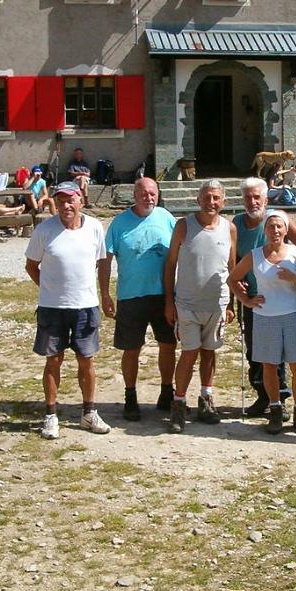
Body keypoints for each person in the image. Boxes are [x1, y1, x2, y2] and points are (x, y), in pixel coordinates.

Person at [231, 177, 296, 419]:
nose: (252, 202)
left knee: (282, 355)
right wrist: (236, 299)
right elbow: (231, 262)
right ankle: (264, 396)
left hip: (284, 300)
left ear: (266, 198)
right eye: (248, 197)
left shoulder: (279, 218)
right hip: (255, 296)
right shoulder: (237, 223)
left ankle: (280, 399)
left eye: (257, 197)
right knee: (256, 351)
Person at [24, 181, 110, 440]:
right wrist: (49, 288)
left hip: (85, 306)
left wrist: (102, 293)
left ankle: (88, 412)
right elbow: (31, 265)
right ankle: (50, 415)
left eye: (70, 200)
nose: (66, 205)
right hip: (52, 308)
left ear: (81, 200)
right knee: (54, 360)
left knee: (87, 360)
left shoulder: (95, 227)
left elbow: (100, 261)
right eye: (60, 201)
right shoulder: (45, 230)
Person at [98, 178, 178, 421]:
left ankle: (167, 392)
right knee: (131, 348)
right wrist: (104, 293)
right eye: (143, 193)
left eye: (152, 193)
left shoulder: (166, 218)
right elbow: (105, 259)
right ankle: (130, 396)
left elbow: (182, 252)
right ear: (134, 195)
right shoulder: (119, 223)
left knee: (168, 345)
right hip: (131, 296)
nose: (148, 197)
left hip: (164, 295)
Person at [163, 179, 237, 433]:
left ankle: (206, 399)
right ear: (198, 200)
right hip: (186, 304)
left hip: (216, 304)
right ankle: (179, 403)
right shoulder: (183, 226)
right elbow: (170, 265)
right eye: (207, 197)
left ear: (223, 201)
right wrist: (168, 302)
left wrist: (231, 305)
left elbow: (232, 269)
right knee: (188, 353)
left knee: (209, 352)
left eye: (216, 198)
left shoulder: (229, 228)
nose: (211, 202)